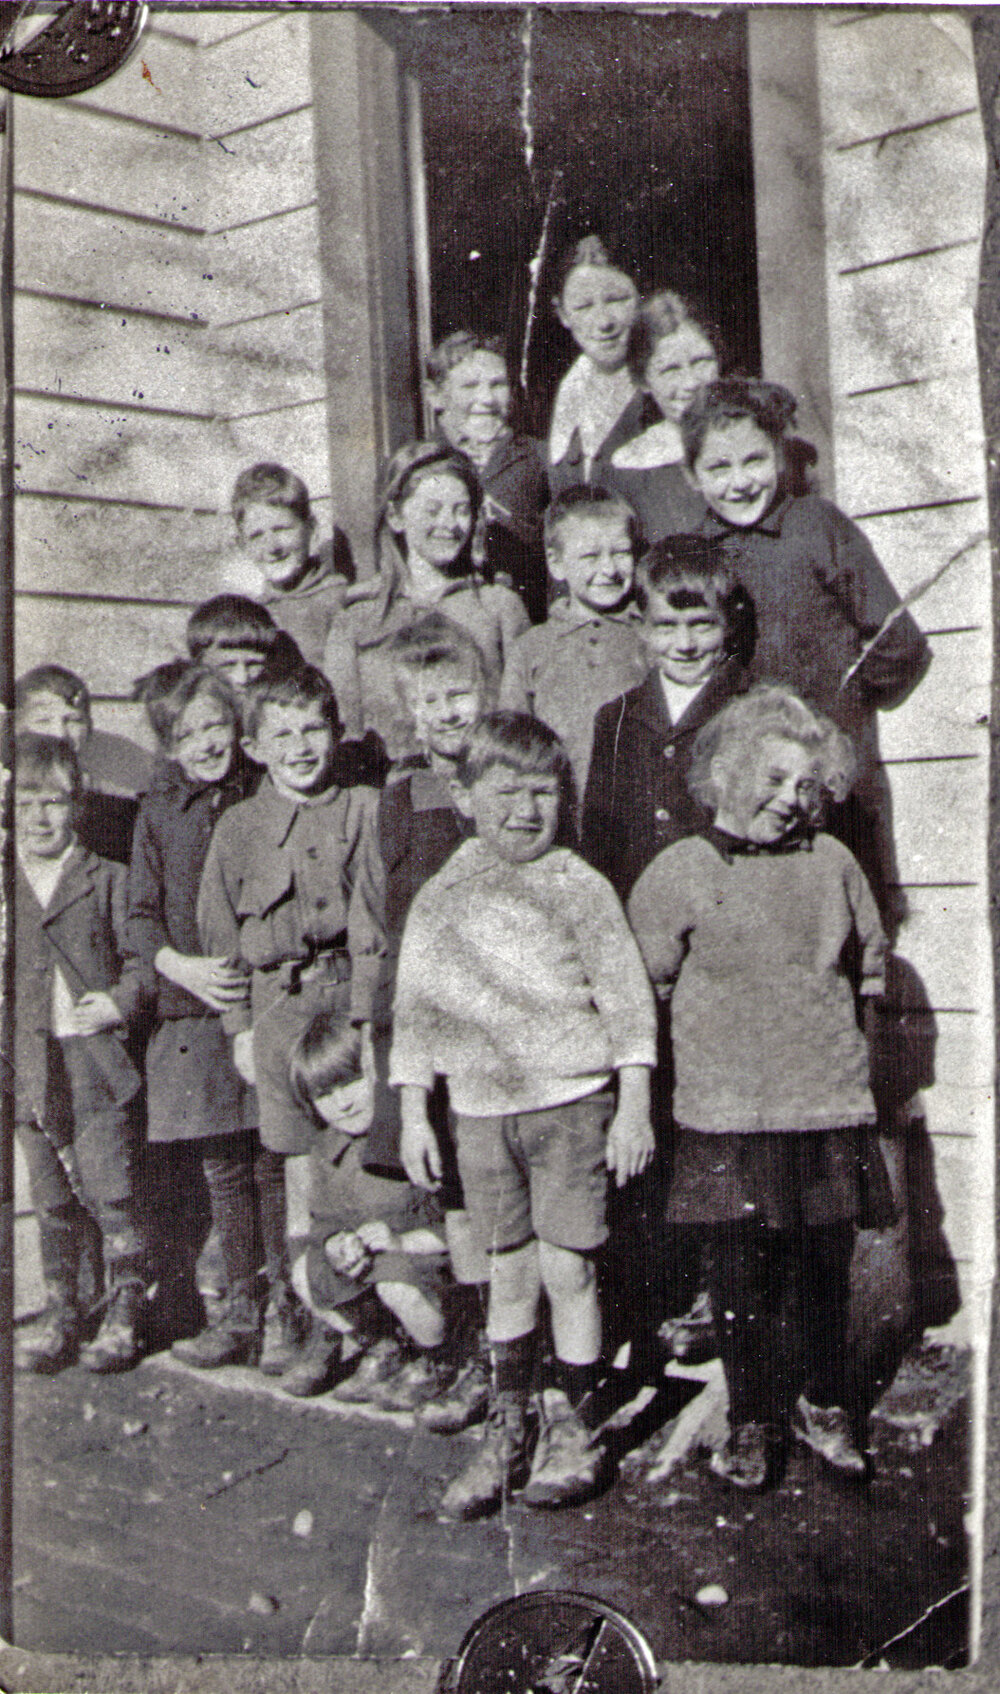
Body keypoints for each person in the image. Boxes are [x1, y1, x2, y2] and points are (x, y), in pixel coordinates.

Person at [628, 686, 896, 1491]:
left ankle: (822, 1404)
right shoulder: (682, 868)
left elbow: (870, 966)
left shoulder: (833, 863)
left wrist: (854, 1064)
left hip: (822, 1104)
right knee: (741, 1273)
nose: (792, 800)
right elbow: (647, 980)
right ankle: (750, 1416)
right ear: (728, 771)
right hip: (728, 1111)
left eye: (806, 786)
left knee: (822, 1264)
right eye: (774, 780)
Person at [391, 712, 657, 1518]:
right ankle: (509, 1423)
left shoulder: (580, 886)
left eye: (543, 792)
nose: (525, 810)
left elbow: (627, 1000)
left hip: (573, 1106)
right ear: (464, 797)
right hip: (479, 1113)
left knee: (567, 1269)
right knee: (506, 1272)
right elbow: (415, 1011)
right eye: (505, 792)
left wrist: (633, 1104)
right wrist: (411, 1111)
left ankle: (572, 1424)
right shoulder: (443, 895)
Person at [196, 664, 386, 1379]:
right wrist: (241, 1029)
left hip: (347, 1001)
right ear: (252, 745)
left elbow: (373, 923)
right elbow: (218, 934)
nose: (301, 746)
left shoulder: (364, 808)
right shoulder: (239, 827)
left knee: (366, 1157)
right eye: (281, 733)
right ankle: (310, 1315)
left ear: (336, 732)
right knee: (295, 1170)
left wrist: (366, 1018)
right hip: (278, 1013)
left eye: (313, 728)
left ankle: (381, 1329)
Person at [681, 378, 931, 920]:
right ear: (692, 476)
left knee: (843, 921)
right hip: (743, 788)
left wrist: (841, 713)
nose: (740, 483)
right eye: (718, 469)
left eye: (754, 461)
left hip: (831, 779)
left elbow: (901, 643)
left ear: (778, 455)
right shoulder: (694, 555)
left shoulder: (817, 527)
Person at [368, 616, 493, 1425]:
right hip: (426, 1001)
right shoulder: (402, 792)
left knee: (491, 1174)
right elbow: (389, 906)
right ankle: (463, 1347)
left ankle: (503, 1354)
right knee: (444, 1178)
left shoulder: (507, 771)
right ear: (410, 712)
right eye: (430, 700)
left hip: (495, 1004)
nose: (448, 712)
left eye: (461, 694)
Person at [126, 662, 262, 1368]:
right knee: (223, 1168)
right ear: (169, 746)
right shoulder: (158, 813)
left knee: (271, 1159)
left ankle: (288, 1312)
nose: (209, 742)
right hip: (192, 1012)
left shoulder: (262, 789)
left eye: (217, 724)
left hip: (258, 1000)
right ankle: (240, 1308)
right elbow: (141, 918)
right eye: (189, 733)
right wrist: (180, 966)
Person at [13, 733, 152, 1374]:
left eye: (55, 802)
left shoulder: (107, 877)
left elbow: (140, 960)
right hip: (27, 1064)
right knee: (50, 1191)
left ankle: (127, 1305)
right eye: (27, 802)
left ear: (79, 805)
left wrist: (122, 1000)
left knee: (109, 1183)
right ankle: (63, 1304)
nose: (41, 817)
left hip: (92, 1060)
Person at [282, 1007, 451, 1402]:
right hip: (373, 1267)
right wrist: (334, 1245)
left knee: (395, 1282)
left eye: (351, 1082)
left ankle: (441, 1358)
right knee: (305, 1272)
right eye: (324, 1094)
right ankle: (382, 1346)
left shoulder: (412, 1137)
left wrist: (402, 1243)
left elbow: (456, 1226)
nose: (341, 1104)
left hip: (426, 1264)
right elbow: (322, 1221)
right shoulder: (328, 1149)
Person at [322, 441, 528, 759]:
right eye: (432, 510)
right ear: (395, 515)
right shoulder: (358, 617)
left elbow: (519, 725)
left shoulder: (499, 607)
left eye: (461, 510)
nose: (449, 524)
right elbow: (346, 731)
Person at [581, 534, 752, 900]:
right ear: (642, 627)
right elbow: (599, 842)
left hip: (725, 908)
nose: (685, 644)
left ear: (728, 624)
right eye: (666, 626)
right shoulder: (615, 719)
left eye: (702, 624)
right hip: (640, 910)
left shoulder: (753, 709)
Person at [500, 486, 648, 810]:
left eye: (621, 553)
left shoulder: (651, 638)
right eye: (590, 556)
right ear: (557, 563)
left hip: (637, 820)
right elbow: (512, 747)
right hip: (562, 817)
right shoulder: (530, 648)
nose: (609, 570)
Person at [426, 331, 549, 623]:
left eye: (498, 385)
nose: (486, 399)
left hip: (522, 619)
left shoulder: (539, 459)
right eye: (469, 386)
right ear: (435, 396)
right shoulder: (418, 463)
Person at [604, 291, 720, 545]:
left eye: (702, 362)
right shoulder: (630, 466)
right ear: (643, 380)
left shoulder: (753, 440)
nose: (691, 383)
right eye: (670, 369)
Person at [547, 236, 654, 499]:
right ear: (562, 314)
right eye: (583, 306)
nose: (604, 321)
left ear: (641, 297)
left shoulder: (667, 388)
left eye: (617, 300)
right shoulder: (560, 394)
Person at [15, 664, 152, 863]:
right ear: (18, 728)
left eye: (73, 720)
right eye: (43, 720)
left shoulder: (117, 811)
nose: (60, 733)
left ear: (89, 726)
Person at [230, 461, 354, 668]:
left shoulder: (339, 600)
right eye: (256, 535)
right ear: (243, 545)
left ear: (311, 528)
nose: (272, 546)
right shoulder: (249, 618)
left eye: (281, 529)